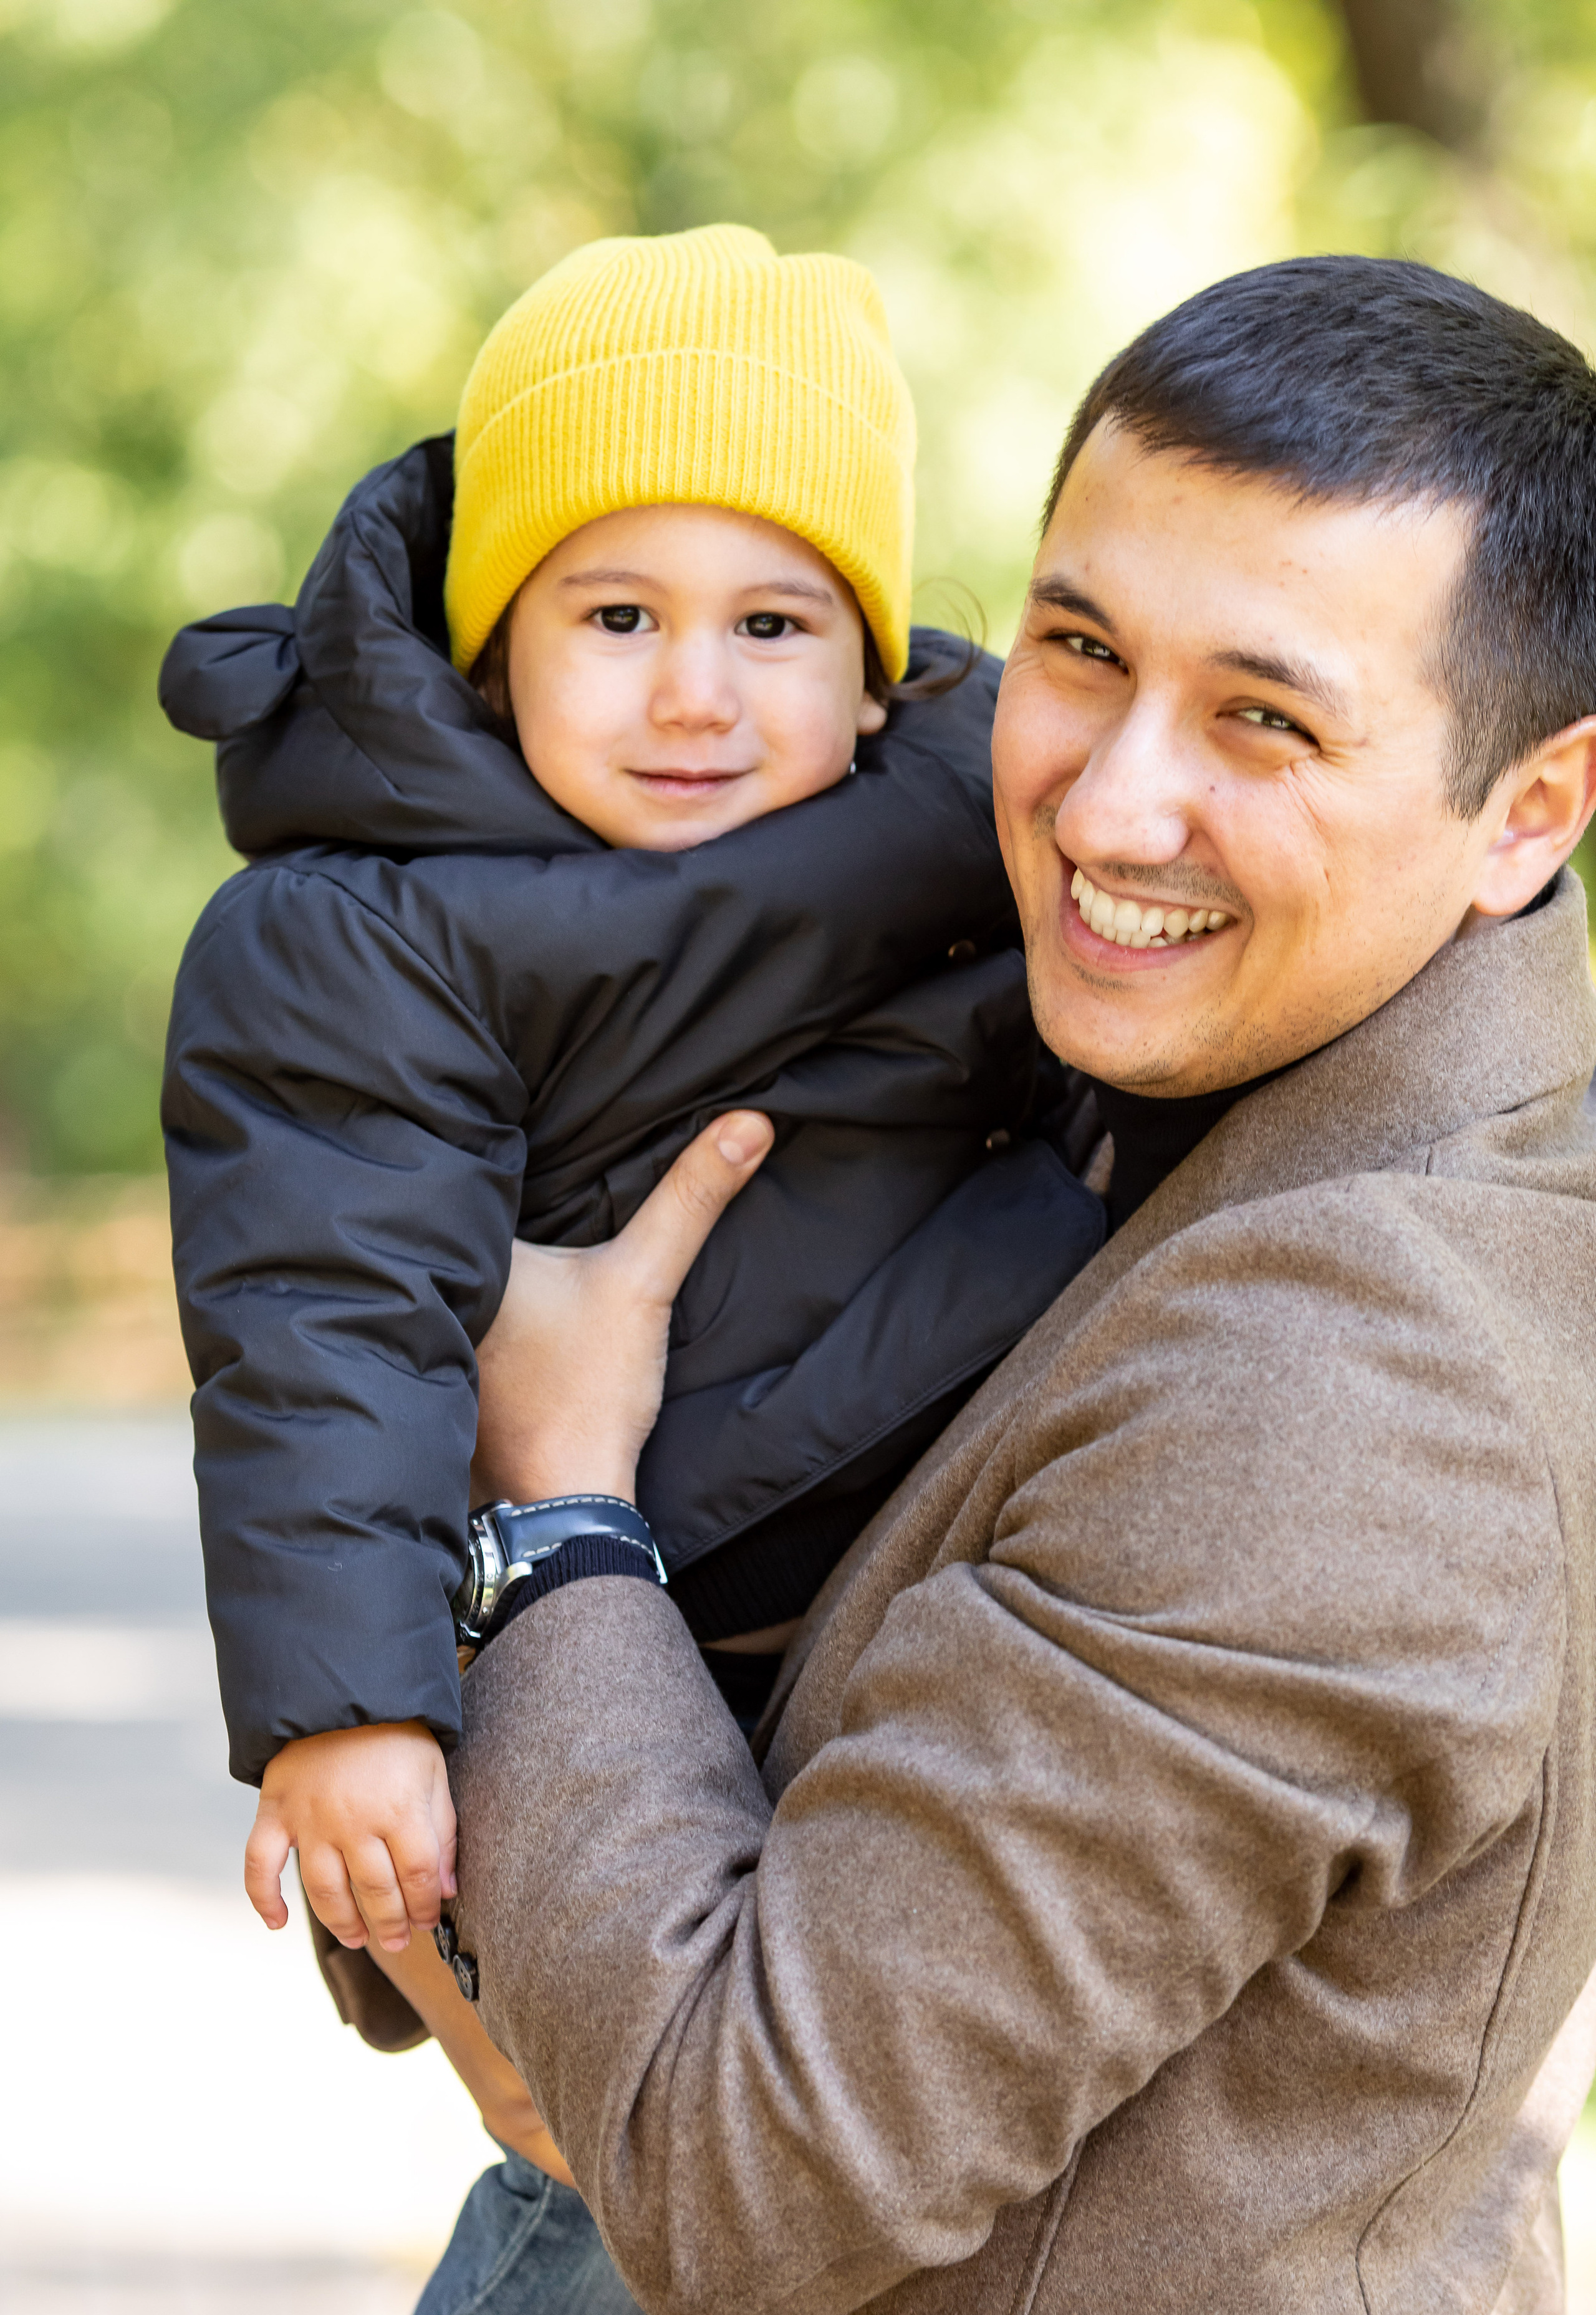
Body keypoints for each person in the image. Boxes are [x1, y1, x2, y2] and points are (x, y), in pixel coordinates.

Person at [441, 254, 1596, 2313]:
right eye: (1080, 648)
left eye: (1264, 717)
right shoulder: (1178, 1061)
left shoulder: (1357, 1379)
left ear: (1529, 809)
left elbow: (735, 2161)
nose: (1109, 802)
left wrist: (554, 1508)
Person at [157, 223, 1103, 2312]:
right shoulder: (376, 928)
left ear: (877, 672)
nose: (696, 690)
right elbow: (326, 1317)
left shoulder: (986, 842)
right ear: (496, 648)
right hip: (585, 1649)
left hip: (903, 1621)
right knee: (623, 2185)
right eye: (615, 615)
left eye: (773, 620)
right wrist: (347, 1707)